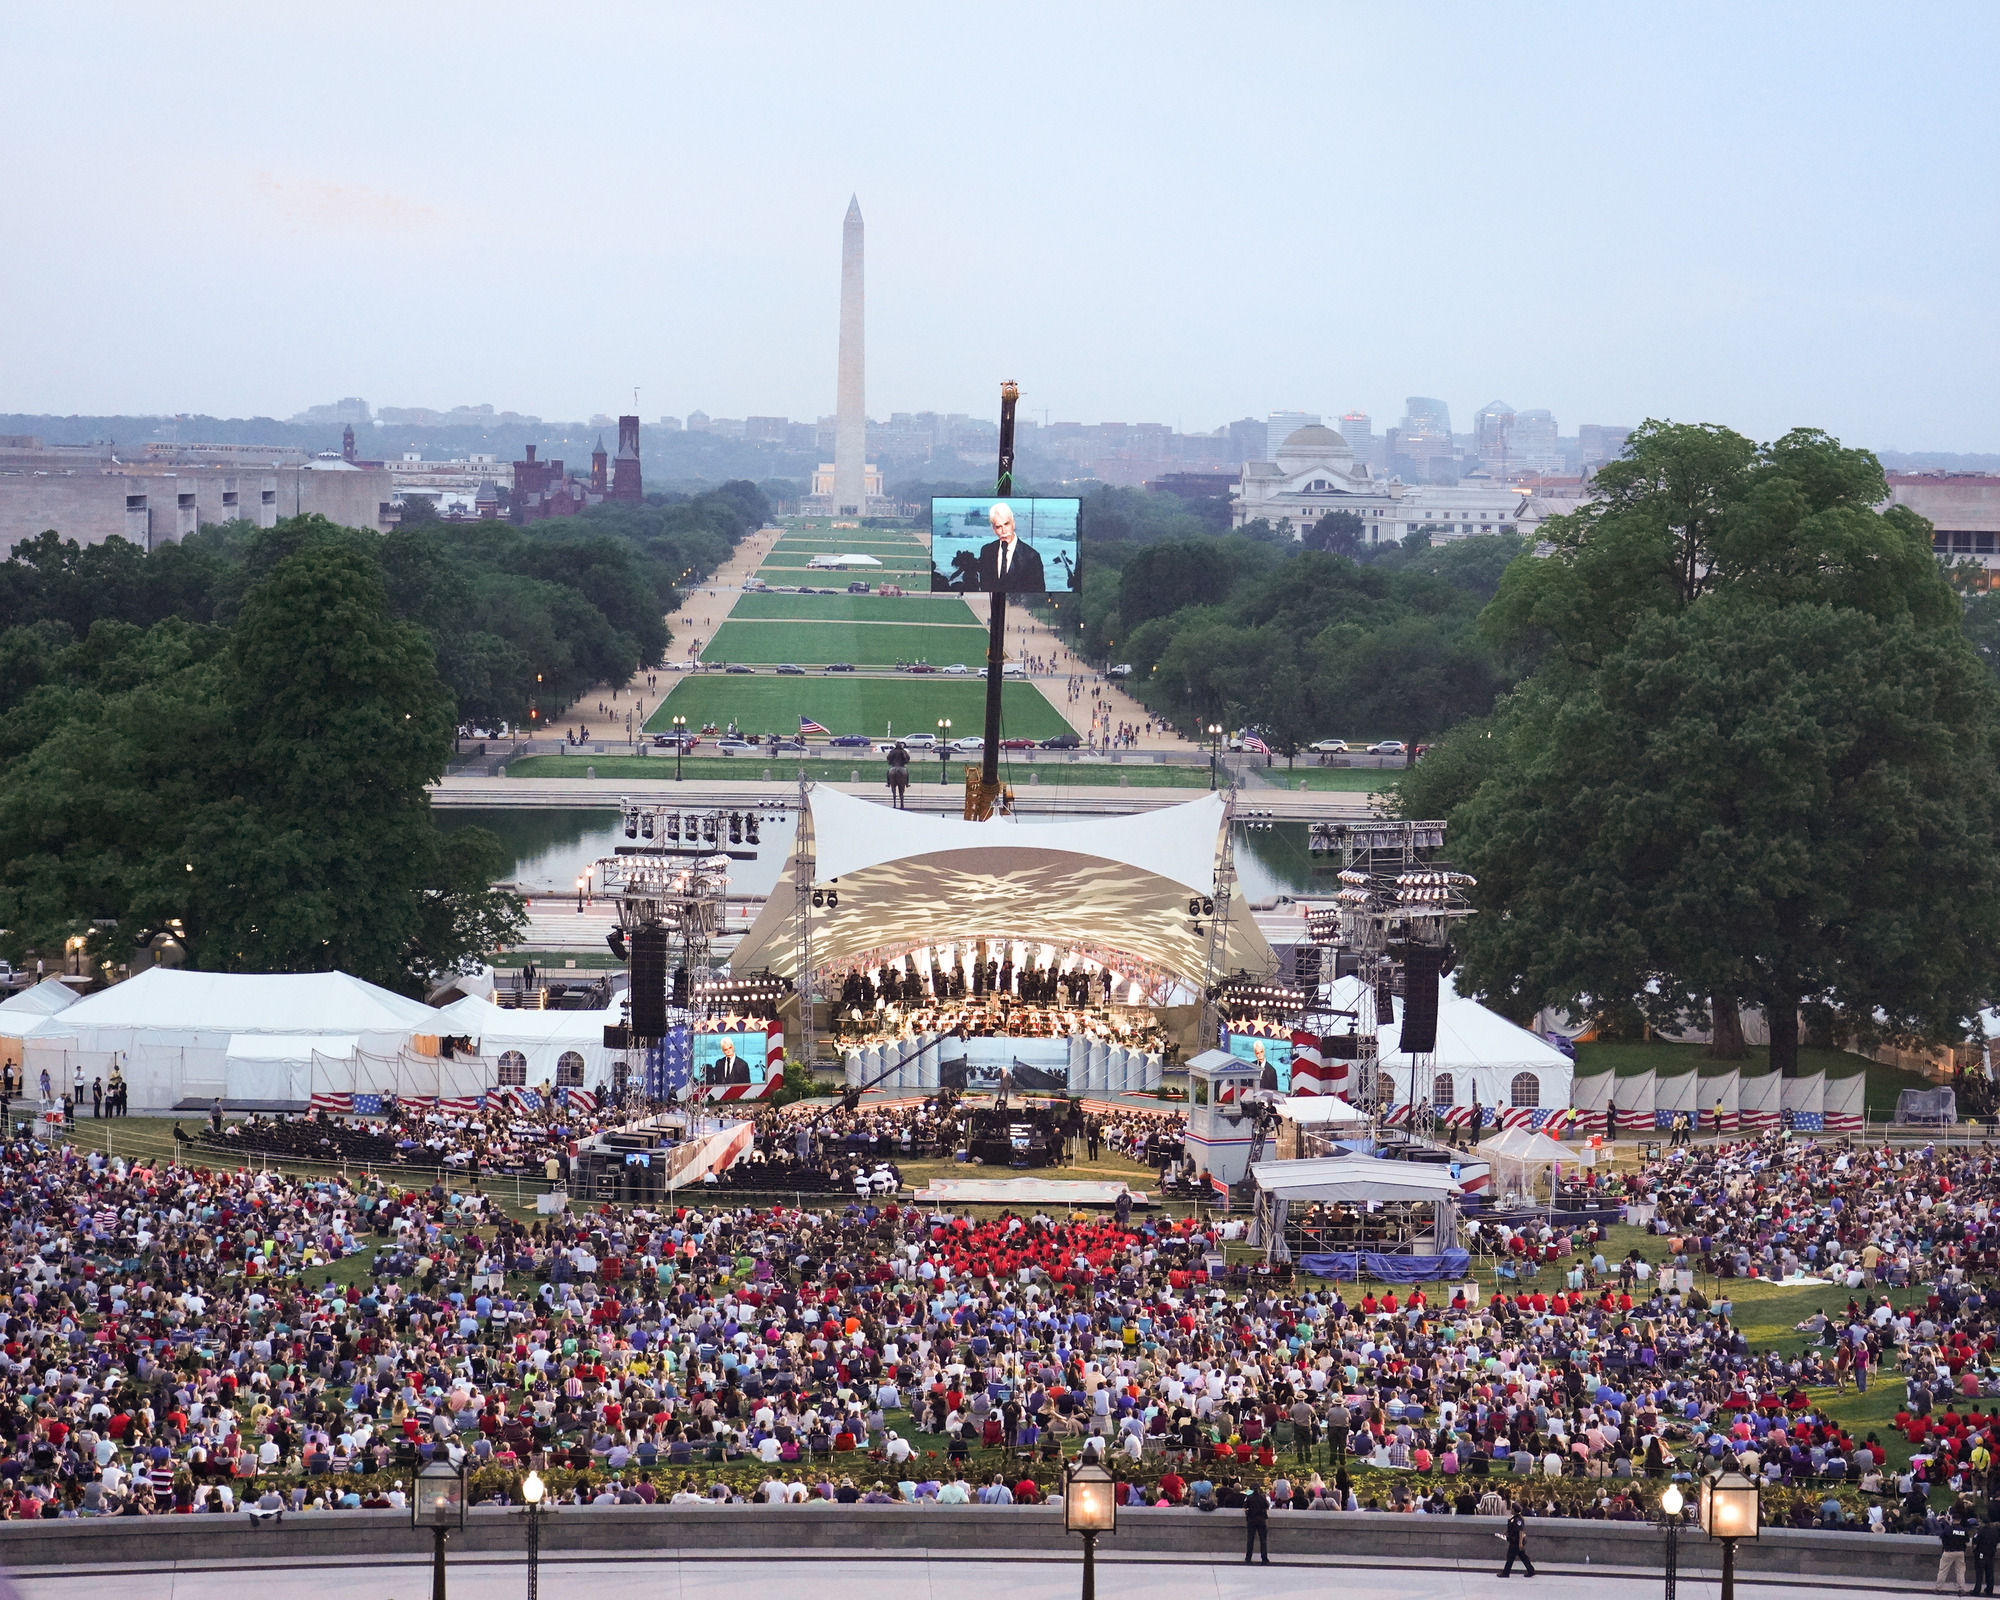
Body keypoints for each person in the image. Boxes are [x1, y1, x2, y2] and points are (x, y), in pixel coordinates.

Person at [963, 503, 1046, 594]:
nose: (1004, 531)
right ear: (994, 529)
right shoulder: (987, 551)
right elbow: (985, 587)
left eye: (1006, 524)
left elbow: (1038, 592)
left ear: (1013, 523)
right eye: (999, 527)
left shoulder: (1031, 556)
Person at [1499, 1500, 1536, 1579]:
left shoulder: (1518, 1520)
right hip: (1514, 1540)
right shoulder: (1514, 1518)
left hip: (1516, 1541)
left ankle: (1506, 1572)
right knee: (1523, 1557)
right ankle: (1531, 1570)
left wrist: (1520, 1543)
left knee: (1510, 1557)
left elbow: (1520, 1531)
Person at [1941, 1513, 1971, 1595]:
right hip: (1960, 1552)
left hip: (1948, 1551)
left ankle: (1938, 1588)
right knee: (1960, 1571)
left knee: (1943, 1571)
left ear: (1952, 1519)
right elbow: (1967, 1541)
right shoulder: (1963, 1530)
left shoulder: (1948, 1529)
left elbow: (1942, 1537)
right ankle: (1961, 1588)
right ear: (1960, 1520)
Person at [1243, 1478, 1271, 1565]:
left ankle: (1248, 1558)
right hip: (1261, 1520)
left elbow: (1244, 1508)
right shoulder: (1263, 1497)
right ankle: (1264, 1558)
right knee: (1263, 1540)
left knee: (1250, 1539)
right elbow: (1267, 1506)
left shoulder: (1249, 1497)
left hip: (1252, 1519)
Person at [1973, 1514, 1999, 1597]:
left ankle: (1977, 1590)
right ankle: (1989, 1590)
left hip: (1981, 1554)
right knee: (1990, 1573)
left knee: (1979, 1574)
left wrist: (1974, 1551)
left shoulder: (1980, 1531)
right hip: (1991, 1554)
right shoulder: (1995, 1531)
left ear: (1982, 1522)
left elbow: (1975, 1543)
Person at [885, 743, 910, 810]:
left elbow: (888, 758)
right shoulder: (903, 751)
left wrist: (891, 762)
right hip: (901, 767)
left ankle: (888, 783)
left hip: (893, 767)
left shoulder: (893, 751)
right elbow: (907, 758)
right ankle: (907, 783)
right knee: (906, 773)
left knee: (888, 773)